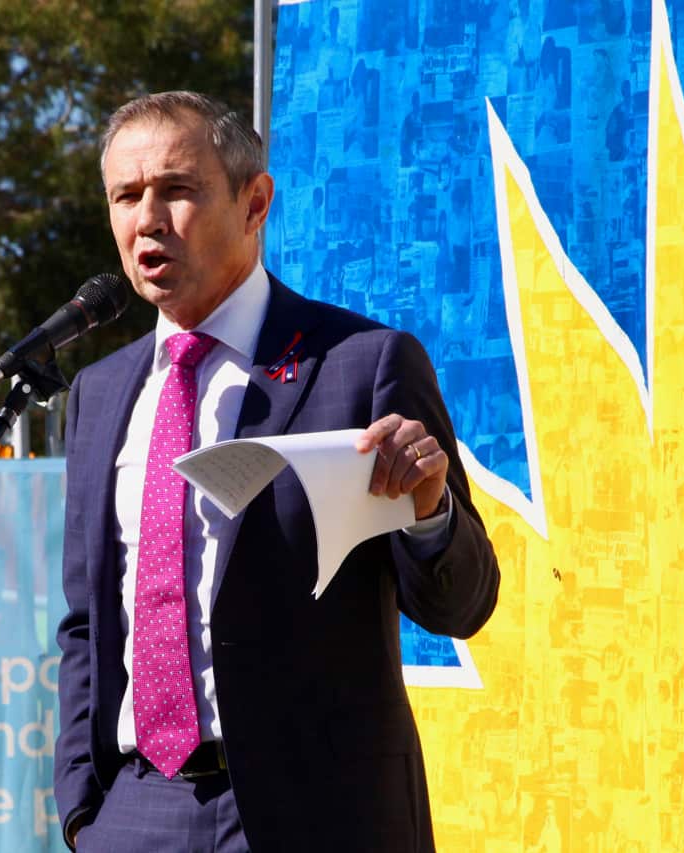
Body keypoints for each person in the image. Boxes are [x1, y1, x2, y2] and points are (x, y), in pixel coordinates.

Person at [53, 91, 500, 852]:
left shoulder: (363, 365)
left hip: (320, 812)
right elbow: (86, 624)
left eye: (177, 189)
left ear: (255, 202)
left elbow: (464, 604)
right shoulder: (98, 393)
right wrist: (82, 809)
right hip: (135, 810)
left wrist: (429, 512)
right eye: (126, 196)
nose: (148, 220)